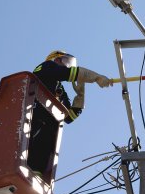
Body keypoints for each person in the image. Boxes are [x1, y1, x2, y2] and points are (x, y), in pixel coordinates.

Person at [27, 50, 113, 178]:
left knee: (46, 140)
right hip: (33, 115)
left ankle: (35, 171)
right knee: (34, 137)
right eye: (66, 61)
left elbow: (69, 117)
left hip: (46, 125)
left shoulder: (59, 89)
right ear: (56, 60)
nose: (68, 66)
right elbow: (65, 73)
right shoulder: (46, 67)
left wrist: (80, 97)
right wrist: (96, 77)